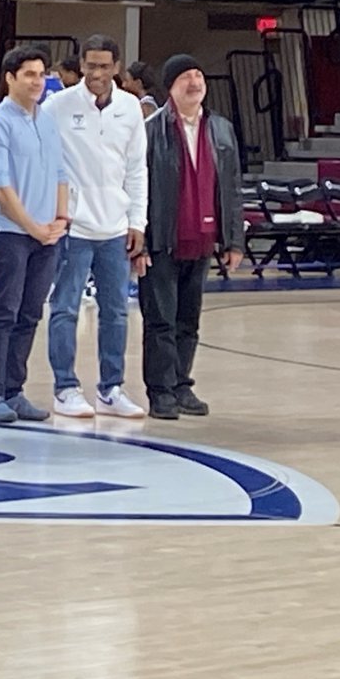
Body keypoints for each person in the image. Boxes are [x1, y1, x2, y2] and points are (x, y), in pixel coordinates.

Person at [43, 35, 147, 419]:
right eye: (91, 65)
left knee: (116, 311)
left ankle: (111, 387)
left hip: (116, 227)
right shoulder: (57, 106)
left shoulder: (131, 108)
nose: (97, 73)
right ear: (81, 65)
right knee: (65, 308)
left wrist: (138, 220)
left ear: (117, 67)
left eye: (104, 66)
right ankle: (65, 387)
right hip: (74, 227)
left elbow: (137, 168)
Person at [137, 55, 244, 420]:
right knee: (161, 320)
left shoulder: (221, 129)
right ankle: (161, 390)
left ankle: (182, 383)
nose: (195, 82)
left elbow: (230, 187)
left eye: (199, 75)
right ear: (170, 87)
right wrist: (139, 240)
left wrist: (233, 240)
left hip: (202, 239)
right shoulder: (152, 130)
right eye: (186, 77)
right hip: (163, 240)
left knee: (189, 320)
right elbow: (140, 189)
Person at [0, 46, 68, 423]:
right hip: (13, 232)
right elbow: (1, 187)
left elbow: (62, 174)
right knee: (5, 312)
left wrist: (61, 219)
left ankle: (15, 390)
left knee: (31, 313)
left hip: (49, 235)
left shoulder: (47, 121)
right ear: (10, 78)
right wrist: (33, 226)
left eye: (41, 73)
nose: (37, 80)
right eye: (29, 74)